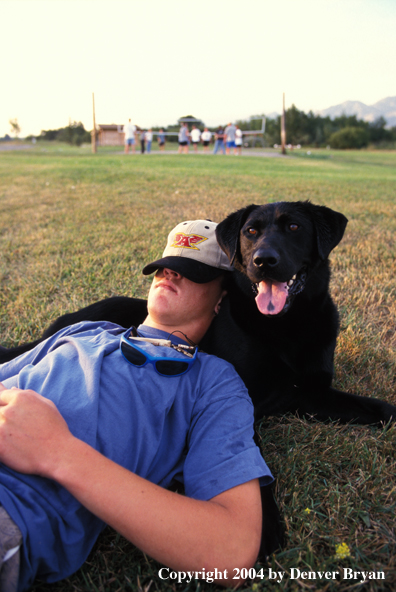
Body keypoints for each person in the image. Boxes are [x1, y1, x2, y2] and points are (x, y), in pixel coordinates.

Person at [0, 220, 279, 591]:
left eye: (190, 271)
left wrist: (57, 452)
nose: (169, 274)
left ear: (221, 299)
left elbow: (232, 547)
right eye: (165, 266)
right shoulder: (85, 331)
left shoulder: (213, 383)